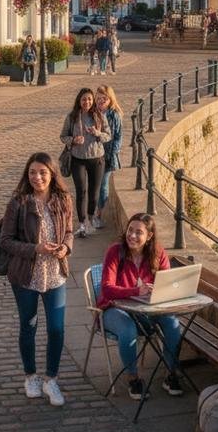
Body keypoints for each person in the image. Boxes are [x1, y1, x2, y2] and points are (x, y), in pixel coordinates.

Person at [0, 152, 74, 406]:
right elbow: (5, 241)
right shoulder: (19, 202)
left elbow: (70, 232)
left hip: (55, 274)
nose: (37, 177)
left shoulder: (63, 200)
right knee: (28, 326)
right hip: (26, 276)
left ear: (52, 174)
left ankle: (51, 379)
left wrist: (65, 247)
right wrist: (36, 249)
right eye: (32, 172)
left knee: (56, 328)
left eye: (42, 172)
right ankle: (30, 375)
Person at [97, 213, 185, 400]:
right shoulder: (115, 251)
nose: (132, 236)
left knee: (172, 324)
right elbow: (107, 289)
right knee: (127, 329)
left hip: (148, 309)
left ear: (149, 236)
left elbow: (167, 283)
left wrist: (161, 290)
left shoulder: (158, 253)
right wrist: (137, 291)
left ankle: (171, 374)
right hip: (113, 308)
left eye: (139, 232)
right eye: (130, 230)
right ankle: (133, 377)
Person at [61, 88, 111, 237]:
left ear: (93, 101)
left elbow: (108, 136)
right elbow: (63, 136)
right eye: (84, 99)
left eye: (89, 99)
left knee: (94, 192)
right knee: (81, 191)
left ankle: (91, 217)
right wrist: (73, 140)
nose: (87, 102)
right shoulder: (72, 117)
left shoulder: (99, 116)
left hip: (96, 159)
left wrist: (98, 133)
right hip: (78, 159)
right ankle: (82, 224)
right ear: (79, 101)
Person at [93, 84, 123, 231]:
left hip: (108, 155)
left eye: (103, 99)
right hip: (92, 154)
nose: (100, 101)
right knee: (93, 185)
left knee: (103, 186)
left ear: (110, 100)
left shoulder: (114, 115)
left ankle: (98, 214)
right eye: (98, 99)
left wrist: (114, 152)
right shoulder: (91, 113)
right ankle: (91, 211)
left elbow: (118, 137)